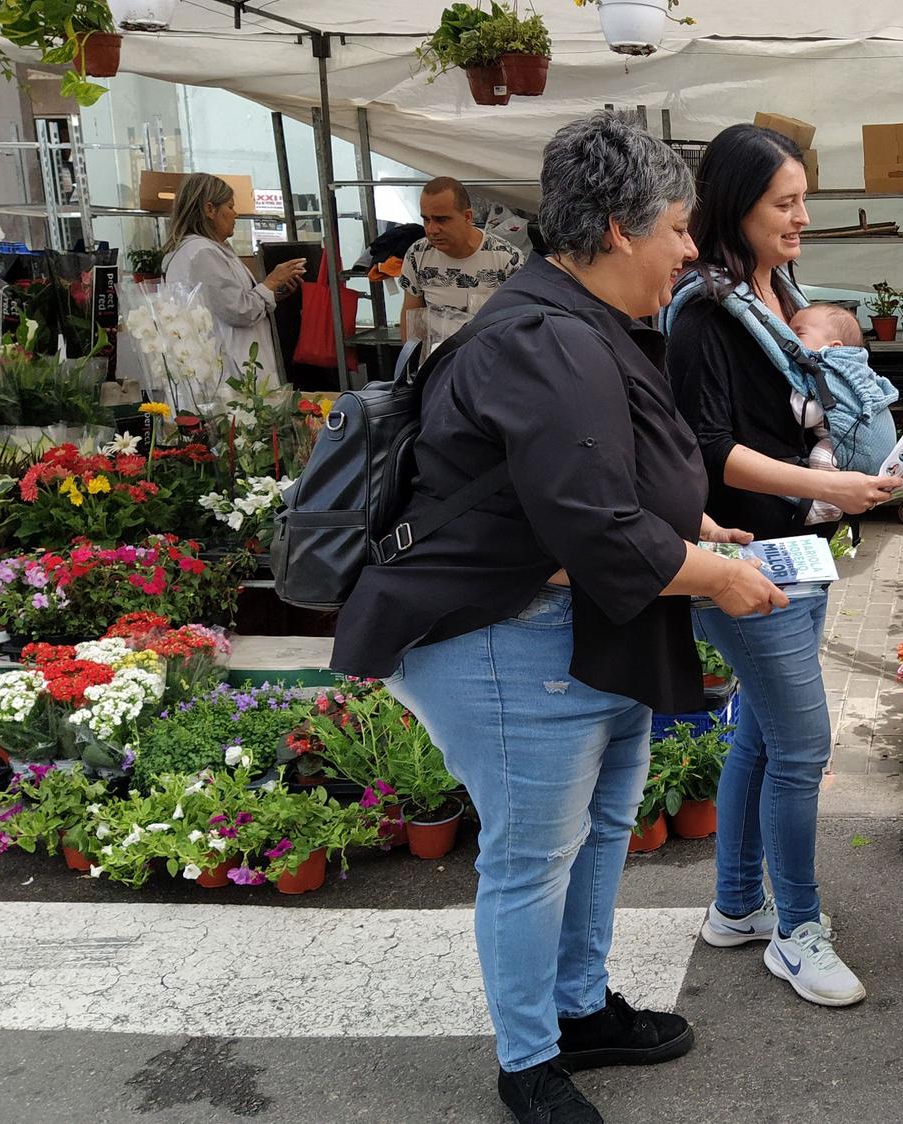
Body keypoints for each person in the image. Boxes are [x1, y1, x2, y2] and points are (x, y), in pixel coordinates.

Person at [331, 112, 788, 1124]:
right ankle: (528, 1060)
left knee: (599, 831)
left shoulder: (569, 317)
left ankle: (578, 1008)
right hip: (506, 636)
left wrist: (699, 522)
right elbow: (593, 523)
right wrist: (714, 573)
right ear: (620, 230)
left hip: (581, 628)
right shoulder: (543, 334)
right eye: (677, 227)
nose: (687, 248)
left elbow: (599, 480)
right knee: (534, 856)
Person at [664, 122, 901, 1009]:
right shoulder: (701, 310)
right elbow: (708, 450)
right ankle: (797, 931)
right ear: (737, 206)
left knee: (765, 734)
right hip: (743, 558)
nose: (802, 219)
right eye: (784, 204)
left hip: (800, 549)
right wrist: (825, 478)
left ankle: (736, 908)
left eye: (805, 200)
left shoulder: (775, 289)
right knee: (804, 744)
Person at [160, 173, 304, 389]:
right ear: (210, 210)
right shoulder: (202, 253)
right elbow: (238, 310)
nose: (235, 214)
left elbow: (230, 301)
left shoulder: (210, 250)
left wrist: (272, 294)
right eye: (230, 206)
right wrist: (271, 282)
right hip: (228, 373)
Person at [400, 175, 528, 351]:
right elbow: (411, 321)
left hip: (488, 361)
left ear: (467, 217)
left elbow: (521, 325)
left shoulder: (507, 259)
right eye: (426, 219)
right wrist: (411, 367)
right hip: (437, 363)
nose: (431, 229)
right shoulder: (417, 255)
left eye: (441, 219)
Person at [789, 302, 868, 525]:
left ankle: (828, 508)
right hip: (851, 438)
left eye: (799, 333)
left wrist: (795, 389)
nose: (790, 338)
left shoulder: (829, 374)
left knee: (820, 458)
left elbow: (805, 416)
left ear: (832, 347)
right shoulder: (854, 369)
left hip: (841, 442)